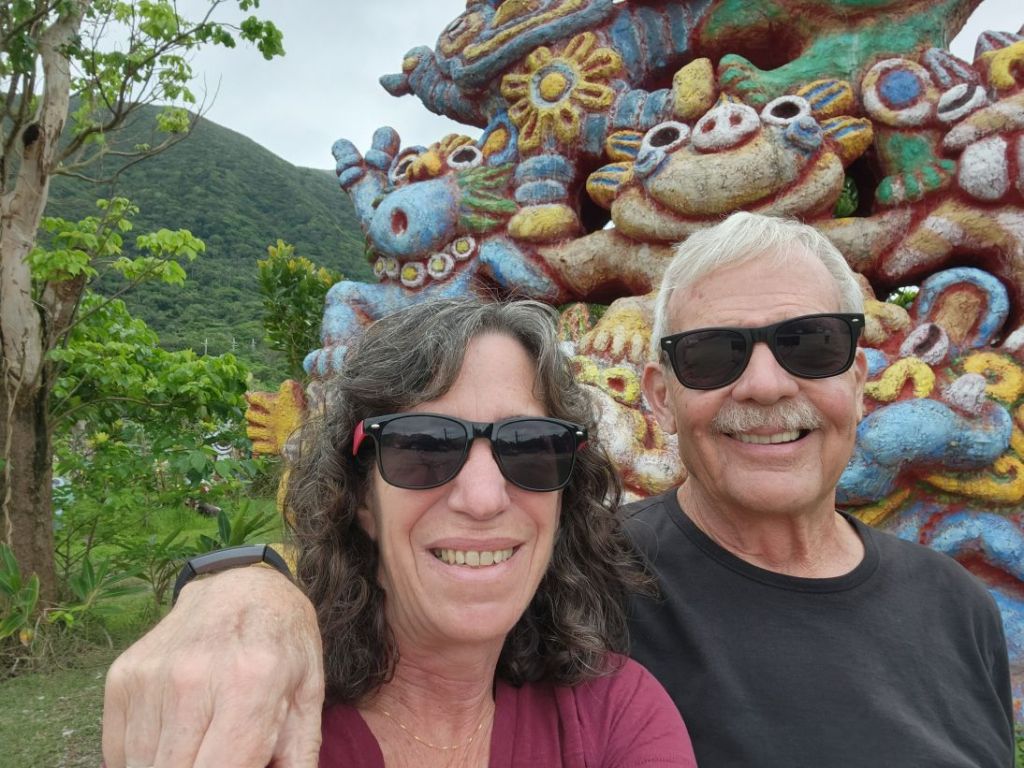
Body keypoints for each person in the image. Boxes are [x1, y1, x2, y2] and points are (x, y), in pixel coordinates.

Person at [102, 213, 1014, 767]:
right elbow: (399, 585)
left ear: (859, 372)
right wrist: (241, 587)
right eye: (714, 355)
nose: (767, 386)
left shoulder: (958, 609)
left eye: (810, 344)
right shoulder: (590, 577)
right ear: (660, 396)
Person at [104, 298, 697, 768]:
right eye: (423, 446)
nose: (484, 498)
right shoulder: (257, 712)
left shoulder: (613, 715)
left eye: (531, 447)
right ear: (362, 497)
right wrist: (238, 588)